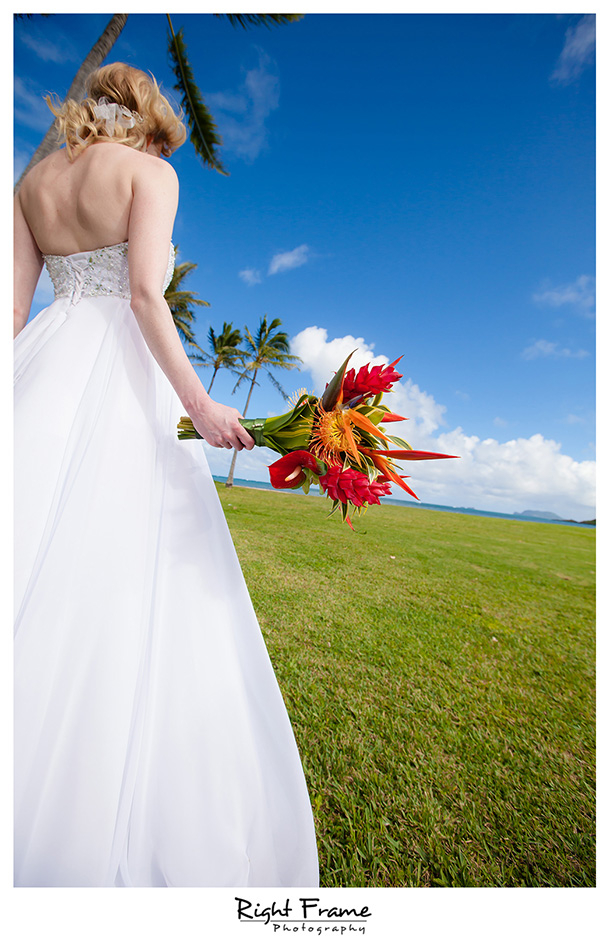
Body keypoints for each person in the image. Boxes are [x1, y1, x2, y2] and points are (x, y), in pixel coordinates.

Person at [13, 62, 319, 888]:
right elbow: (147, 293)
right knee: (124, 568)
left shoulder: (31, 181)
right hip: (123, 373)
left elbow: (12, 315)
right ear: (148, 128)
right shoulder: (153, 174)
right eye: (161, 137)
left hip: (44, 368)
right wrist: (204, 403)